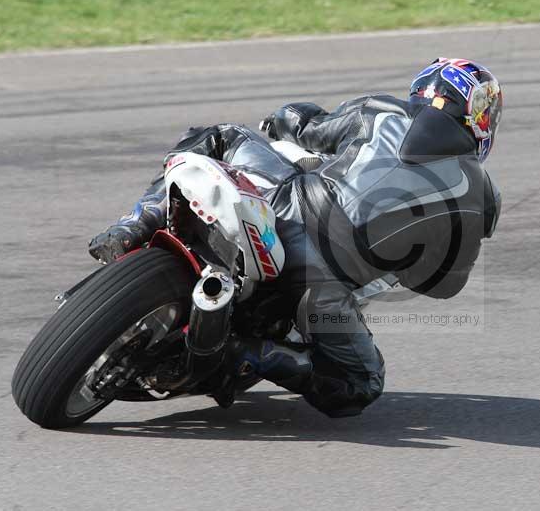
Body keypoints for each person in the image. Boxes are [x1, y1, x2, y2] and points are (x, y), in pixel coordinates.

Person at [88, 57, 503, 418]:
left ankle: (132, 226)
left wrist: (280, 119)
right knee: (361, 383)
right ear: (482, 120)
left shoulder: (380, 111)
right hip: (324, 288)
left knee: (222, 136)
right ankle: (248, 352)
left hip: (281, 212)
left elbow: (301, 123)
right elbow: (444, 286)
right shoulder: (479, 194)